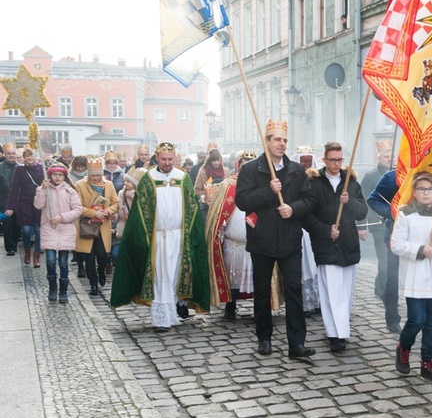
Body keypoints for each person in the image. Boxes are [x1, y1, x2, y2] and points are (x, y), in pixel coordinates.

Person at [235, 119, 316, 359]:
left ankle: (297, 344)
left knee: (294, 291)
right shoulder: (251, 170)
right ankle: (265, 338)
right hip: (262, 240)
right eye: (277, 139)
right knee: (262, 292)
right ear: (266, 141)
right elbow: (242, 202)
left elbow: (309, 200)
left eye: (284, 140)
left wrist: (292, 209)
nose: (282, 144)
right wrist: (268, 191)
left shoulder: (296, 170)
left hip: (290, 240)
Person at [111, 143, 210, 332]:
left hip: (179, 236)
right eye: (163, 159)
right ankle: (160, 319)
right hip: (157, 237)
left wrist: (192, 234)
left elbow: (192, 208)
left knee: (174, 275)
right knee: (160, 275)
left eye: (170, 159)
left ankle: (172, 313)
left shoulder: (182, 177)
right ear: (156, 157)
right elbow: (140, 212)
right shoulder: (149, 179)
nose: (167, 163)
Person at [392, 172, 432, 384]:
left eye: (430, 189)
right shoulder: (406, 215)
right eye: (421, 189)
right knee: (417, 320)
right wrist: (420, 249)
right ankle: (403, 348)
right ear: (415, 192)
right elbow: (397, 245)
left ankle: (428, 363)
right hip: (415, 277)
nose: (426, 193)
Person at [304, 142, 368, 352]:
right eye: (332, 160)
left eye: (340, 160)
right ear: (324, 160)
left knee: (346, 292)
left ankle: (343, 329)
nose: (336, 164)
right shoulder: (313, 184)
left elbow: (362, 213)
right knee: (332, 291)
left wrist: (349, 201)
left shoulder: (351, 183)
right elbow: (306, 217)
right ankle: (334, 333)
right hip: (326, 244)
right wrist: (326, 230)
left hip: (348, 243)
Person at [205, 151, 256, 320]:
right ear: (237, 165)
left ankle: (260, 309)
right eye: (244, 165)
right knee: (231, 276)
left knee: (257, 277)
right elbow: (218, 213)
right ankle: (230, 307)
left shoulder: (262, 184)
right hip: (233, 243)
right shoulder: (228, 185)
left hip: (256, 242)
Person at [33, 163, 82, 303]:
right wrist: (42, 190)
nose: (57, 177)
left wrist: (62, 217)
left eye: (60, 175)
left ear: (64, 176)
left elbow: (77, 210)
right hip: (49, 229)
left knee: (63, 262)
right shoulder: (43, 189)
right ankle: (52, 288)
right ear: (50, 176)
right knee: (50, 260)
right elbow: (38, 205)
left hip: (65, 230)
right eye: (55, 175)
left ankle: (63, 291)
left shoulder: (70, 191)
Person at [74, 157, 118, 296]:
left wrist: (108, 212)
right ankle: (93, 283)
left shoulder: (109, 185)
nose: (95, 178)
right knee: (89, 256)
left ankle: (101, 273)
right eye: (92, 175)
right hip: (87, 224)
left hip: (103, 224)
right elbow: (77, 206)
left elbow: (115, 203)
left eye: (98, 175)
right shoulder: (80, 185)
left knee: (102, 254)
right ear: (88, 174)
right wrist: (93, 213)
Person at [367, 169, 402, 333]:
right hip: (397, 234)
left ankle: (428, 324)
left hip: (423, 238)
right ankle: (392, 318)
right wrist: (392, 213)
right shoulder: (392, 177)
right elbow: (373, 200)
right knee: (393, 279)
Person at [290, 146, 322, 315]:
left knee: (318, 265)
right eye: (303, 161)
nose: (306, 164)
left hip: (316, 227)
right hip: (300, 227)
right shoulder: (292, 178)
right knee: (303, 266)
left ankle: (320, 301)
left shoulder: (317, 179)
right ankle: (304, 303)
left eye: (308, 161)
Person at [361, 139, 393, 300]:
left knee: (392, 260)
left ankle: (379, 285)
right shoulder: (370, 176)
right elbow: (365, 201)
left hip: (395, 224)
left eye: (391, 156)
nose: (389, 159)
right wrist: (364, 224)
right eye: (386, 156)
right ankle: (383, 291)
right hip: (379, 224)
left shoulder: (398, 174)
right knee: (384, 259)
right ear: (379, 157)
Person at [7, 147, 45, 268]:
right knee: (27, 230)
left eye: (31, 155)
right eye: (27, 155)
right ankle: (27, 251)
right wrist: (10, 206)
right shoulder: (20, 170)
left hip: (39, 204)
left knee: (39, 231)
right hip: (24, 204)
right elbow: (14, 188)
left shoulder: (42, 168)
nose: (29, 157)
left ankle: (37, 255)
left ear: (36, 155)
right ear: (24, 157)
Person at [113, 167, 147, 266]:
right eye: (125, 180)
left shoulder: (140, 196)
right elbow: (119, 211)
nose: (125, 183)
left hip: (137, 227)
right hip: (126, 227)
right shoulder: (121, 194)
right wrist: (114, 216)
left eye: (129, 181)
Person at [68, 155, 88, 276]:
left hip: (87, 209)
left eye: (82, 166)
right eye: (78, 166)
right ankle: (80, 264)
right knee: (77, 238)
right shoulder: (70, 177)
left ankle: (86, 261)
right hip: (74, 210)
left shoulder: (89, 176)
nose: (80, 169)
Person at [0, 143, 19, 256]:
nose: (11, 156)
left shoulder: (20, 167)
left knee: (17, 226)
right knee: (7, 225)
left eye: (13, 153)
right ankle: (10, 247)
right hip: (4, 200)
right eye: (9, 154)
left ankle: (15, 244)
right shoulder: (0, 168)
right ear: (4, 154)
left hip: (18, 201)